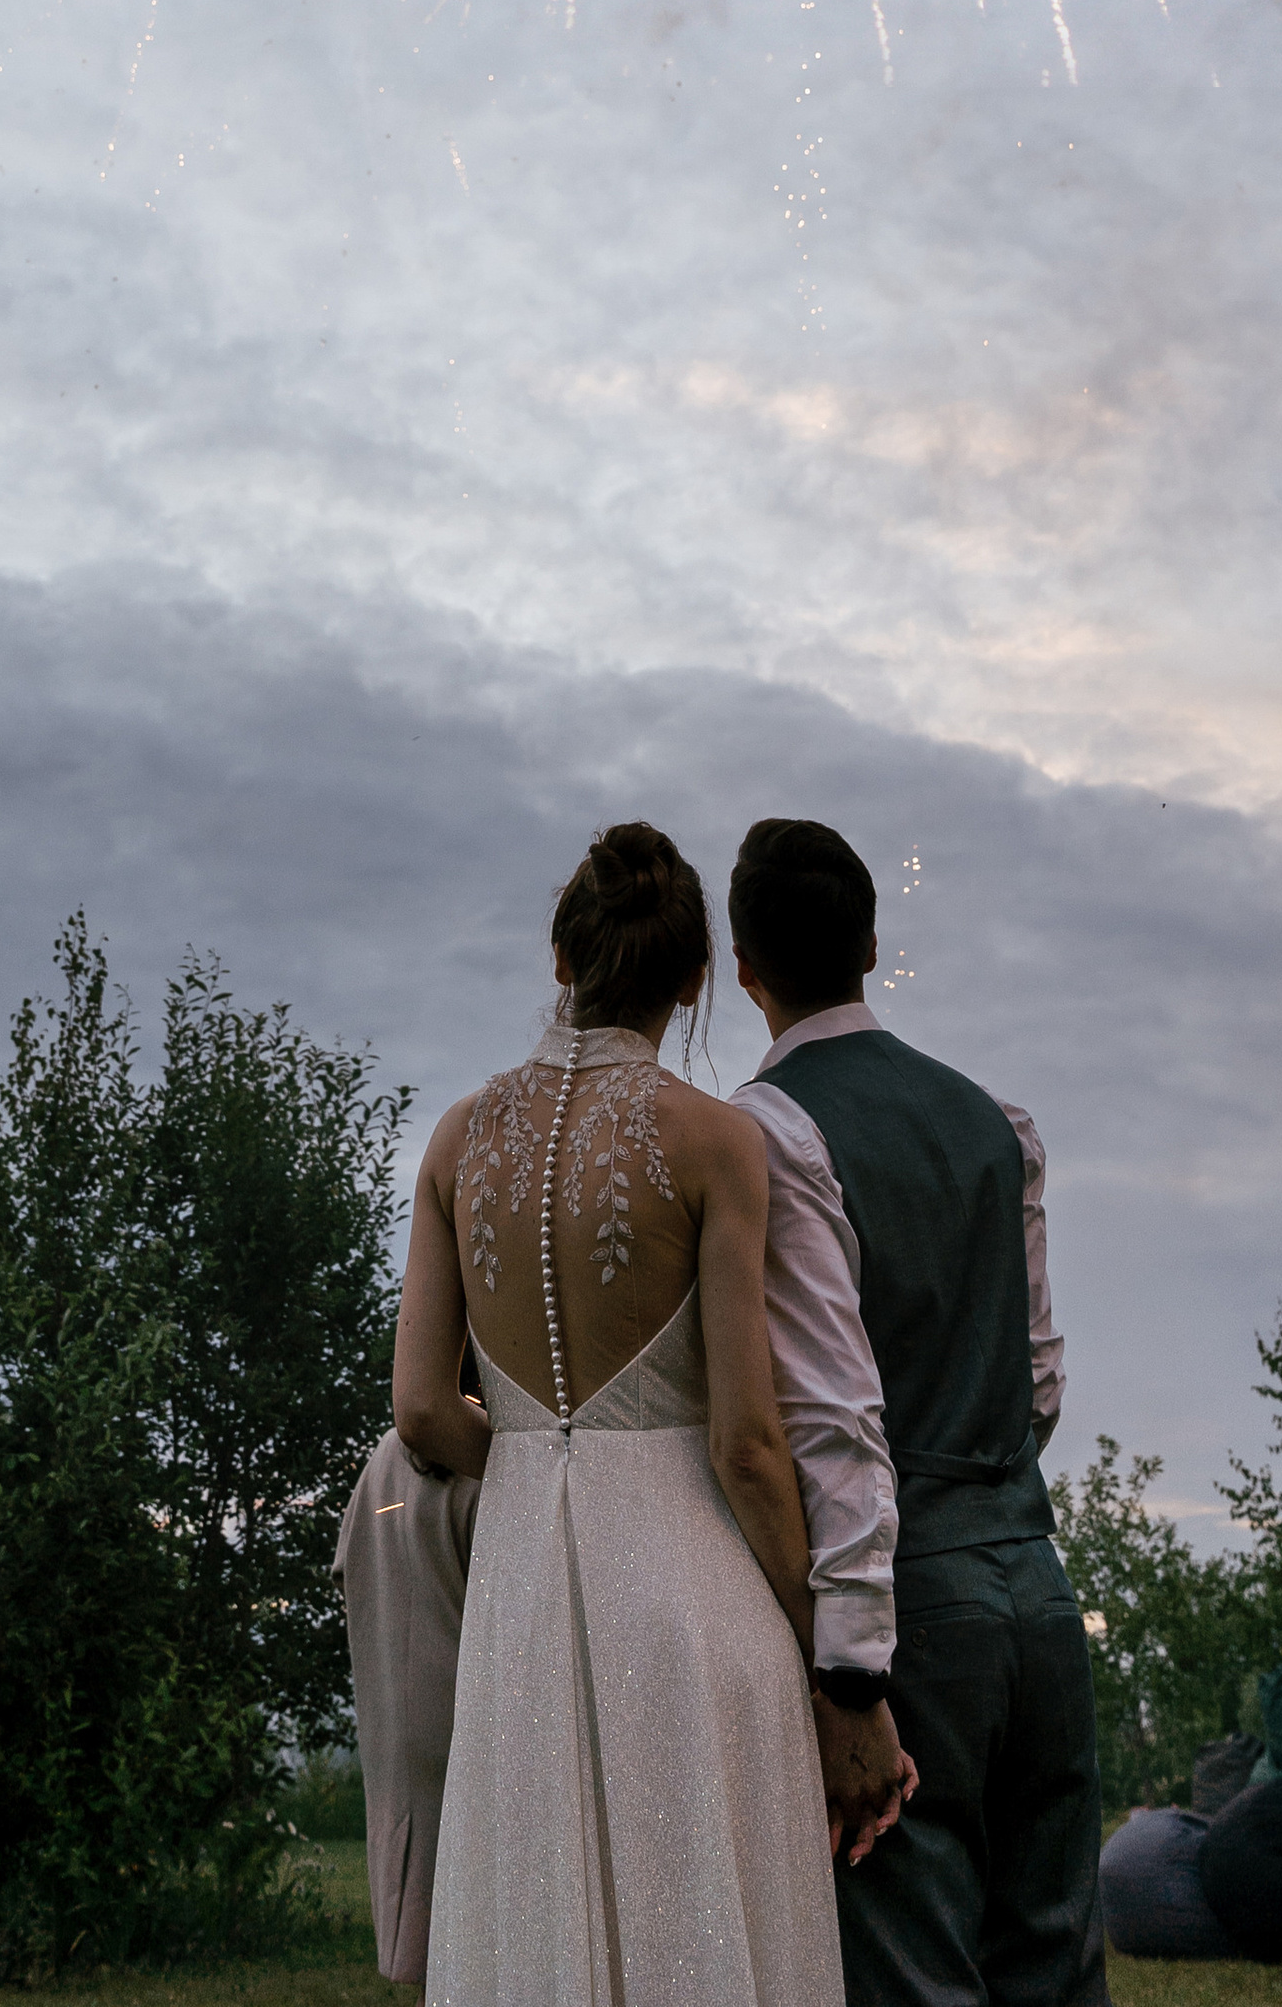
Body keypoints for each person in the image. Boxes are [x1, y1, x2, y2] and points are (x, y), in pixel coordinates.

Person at [393, 822, 859, 2007]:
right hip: (689, 1596)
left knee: (536, 1926)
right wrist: (822, 1644)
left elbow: (418, 1411)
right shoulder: (719, 1142)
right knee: (699, 1924)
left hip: (520, 1589)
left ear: (561, 958)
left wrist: (532, 1469)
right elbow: (748, 1445)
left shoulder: (455, 1141)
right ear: (698, 977)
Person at [728, 819, 1106, 2007]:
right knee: (1054, 1964)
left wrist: (848, 1675)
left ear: (744, 968)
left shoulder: (770, 1133)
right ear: (872, 942)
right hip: (1037, 1589)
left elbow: (832, 1417)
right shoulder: (999, 1122)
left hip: (906, 1610)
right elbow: (1037, 1377)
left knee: (910, 1973)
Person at [334, 1413, 480, 1985]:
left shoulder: (383, 1460)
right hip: (465, 1729)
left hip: (394, 1720)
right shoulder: (484, 1463)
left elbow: (348, 1569)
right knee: (474, 1951)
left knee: (438, 1962)